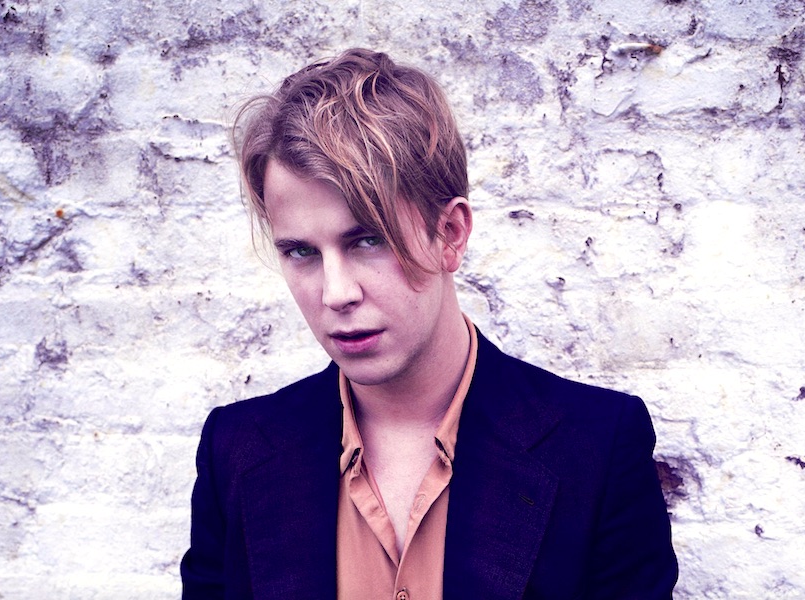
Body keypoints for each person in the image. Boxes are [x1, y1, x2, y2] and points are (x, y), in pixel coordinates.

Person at [180, 48, 677, 599]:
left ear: (451, 235)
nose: (336, 293)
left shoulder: (597, 446)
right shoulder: (237, 451)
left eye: (368, 240)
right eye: (301, 252)